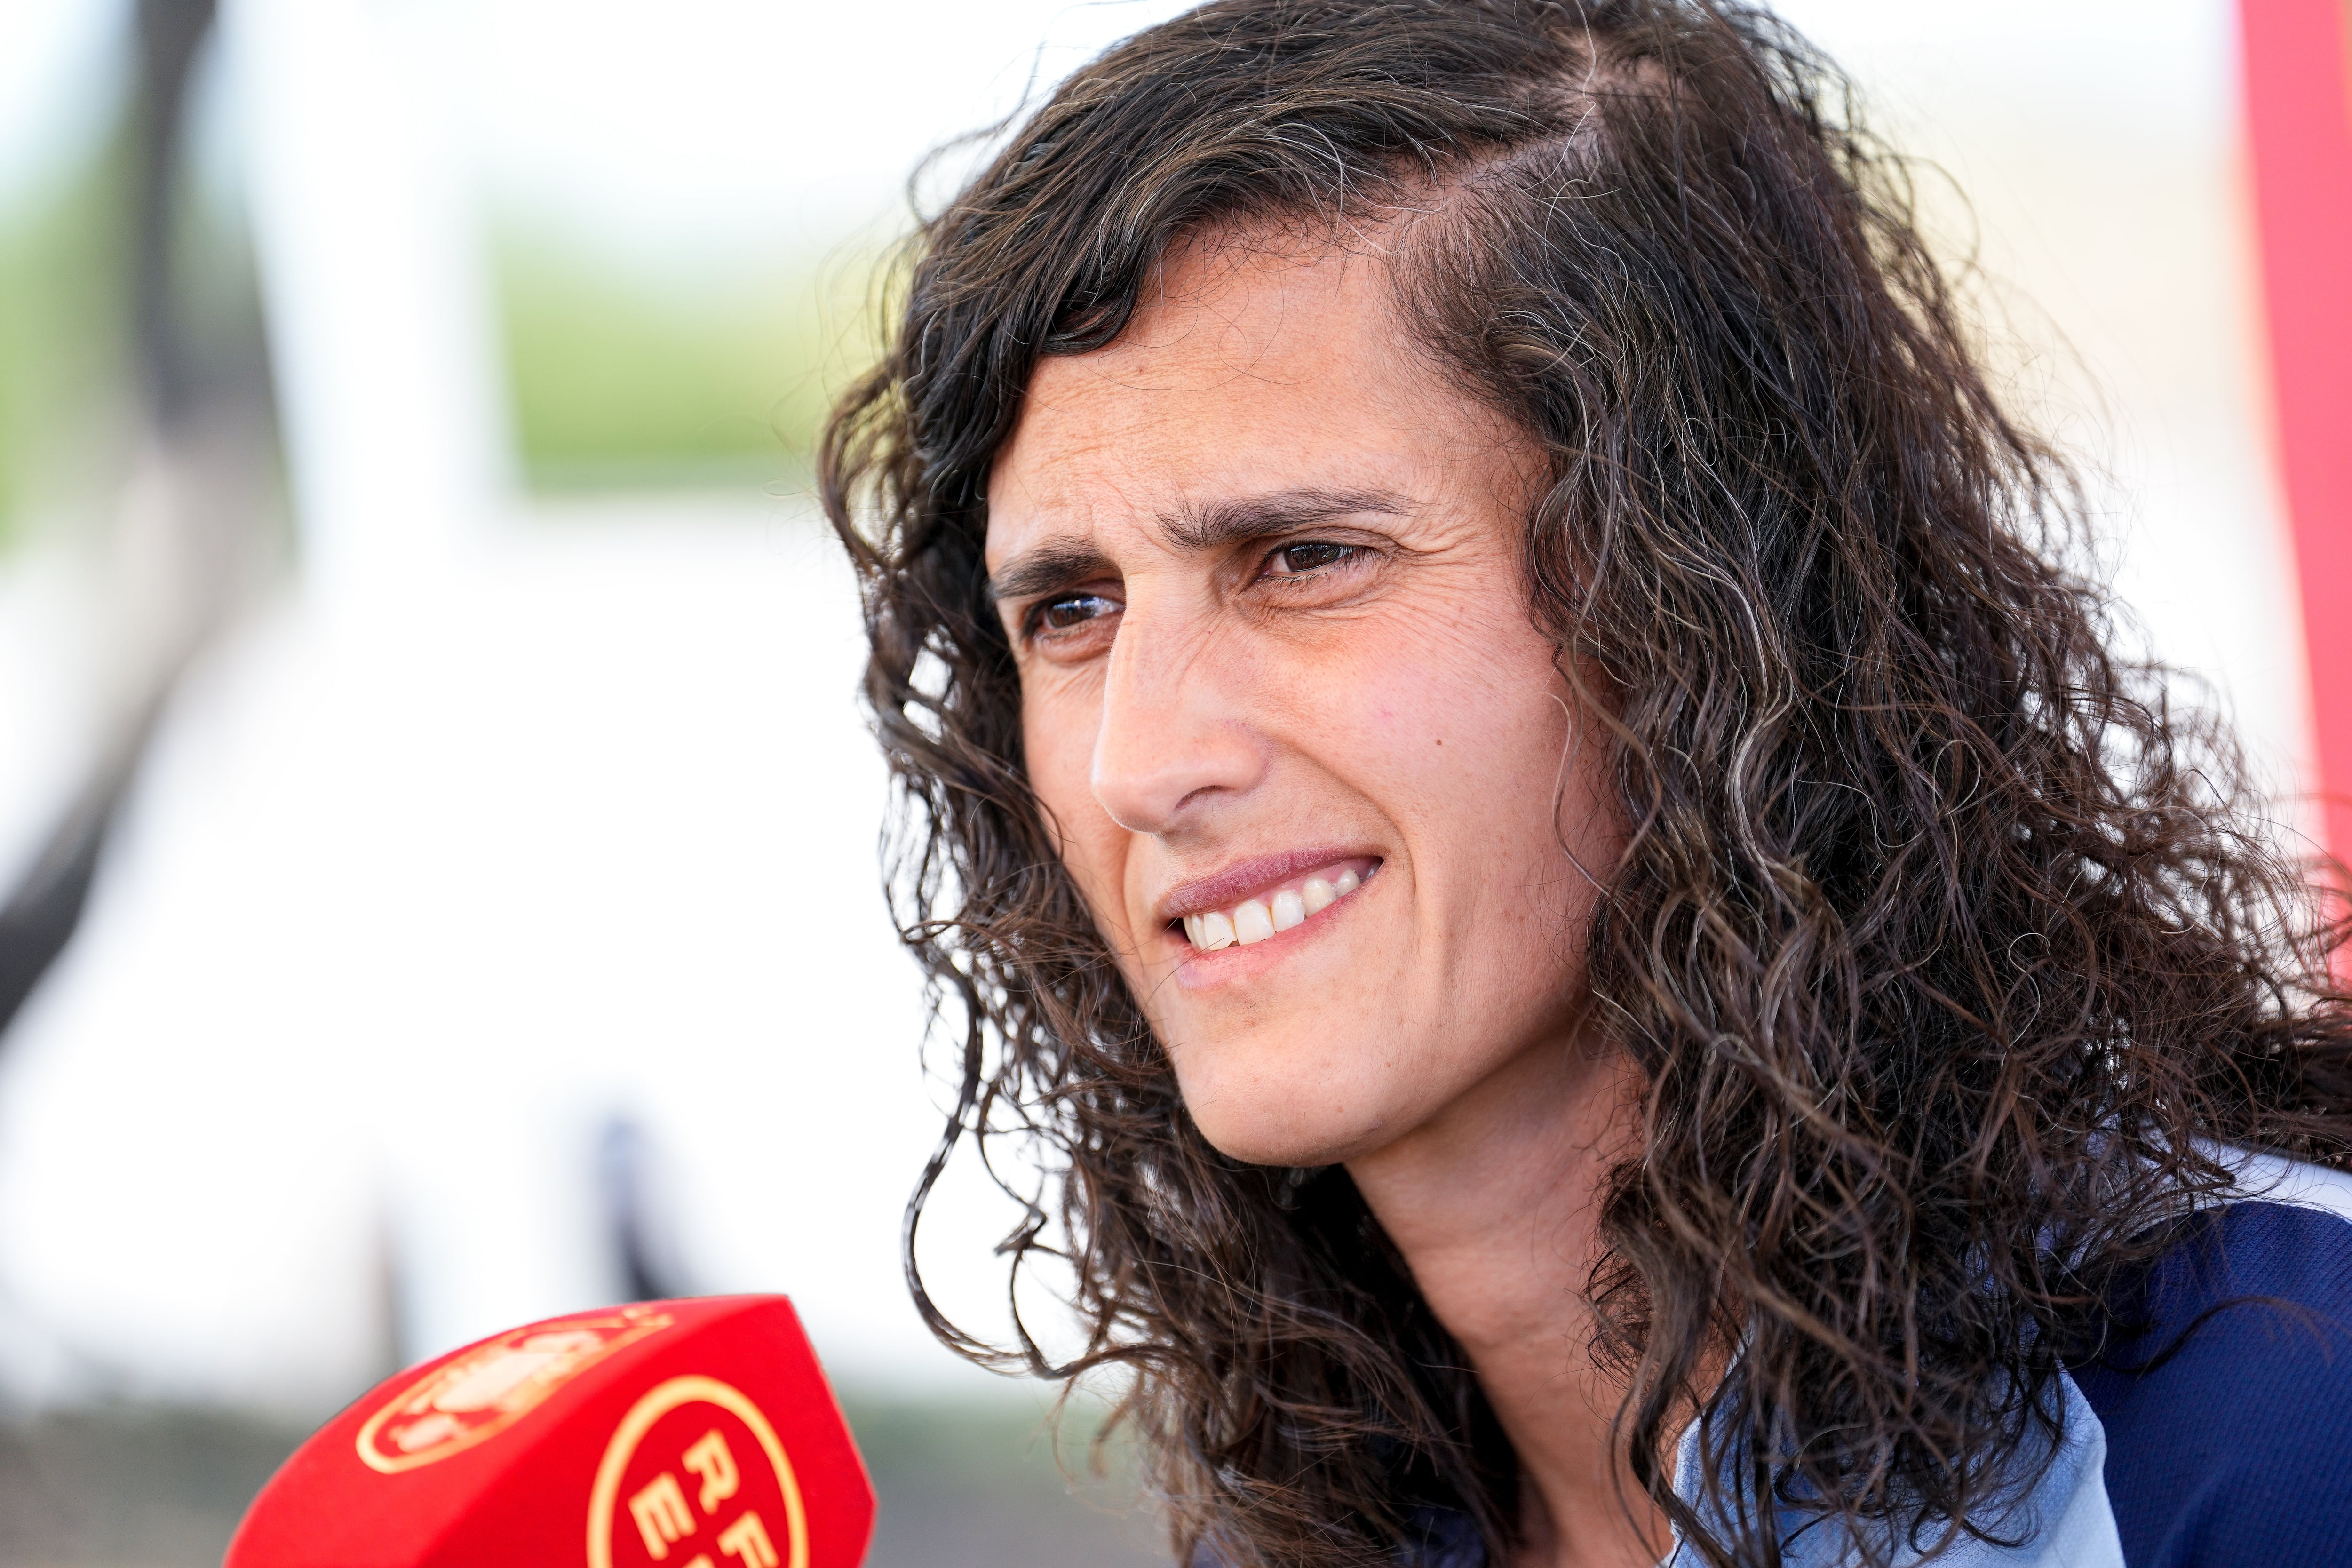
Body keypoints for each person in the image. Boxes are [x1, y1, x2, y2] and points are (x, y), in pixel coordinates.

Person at [818, 3, 2352, 1565]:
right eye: (1070, 610)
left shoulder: (2277, 1418)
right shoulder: (1329, 1525)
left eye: (1305, 561)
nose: (1139, 763)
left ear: (1709, 601)